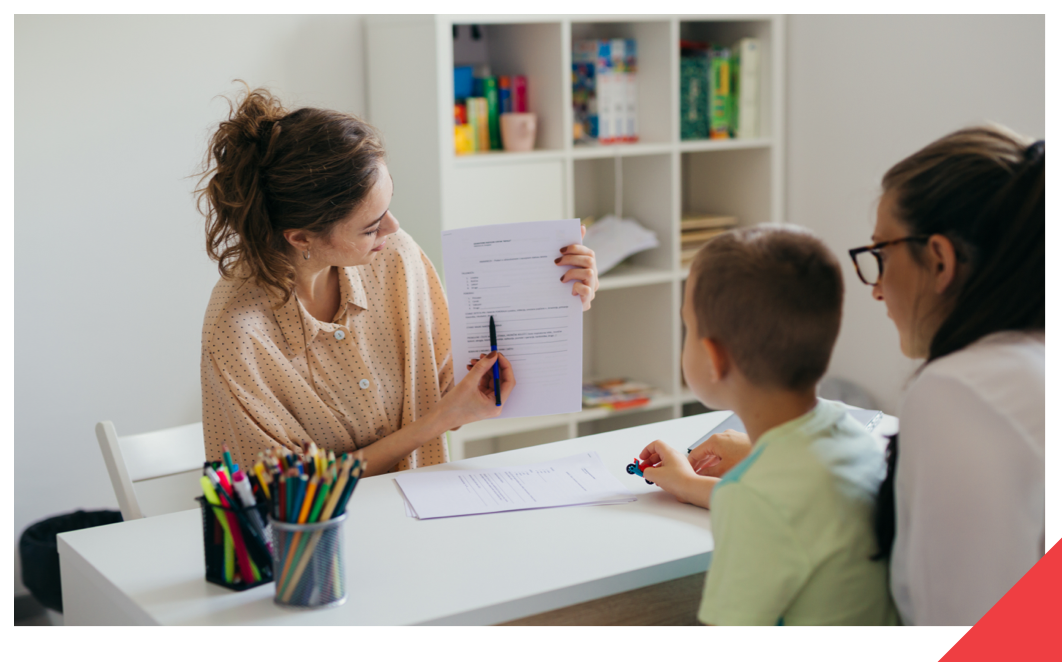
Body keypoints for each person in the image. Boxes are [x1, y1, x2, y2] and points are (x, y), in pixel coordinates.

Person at [195, 86, 598, 475]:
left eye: (388, 207)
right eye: (371, 226)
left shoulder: (395, 257)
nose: (393, 226)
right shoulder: (238, 333)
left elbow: (457, 389)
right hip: (319, 540)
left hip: (425, 518)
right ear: (301, 238)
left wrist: (555, 298)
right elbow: (288, 494)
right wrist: (438, 421)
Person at [638, 226, 897, 626]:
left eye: (687, 326)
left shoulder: (753, 502)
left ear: (714, 358)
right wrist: (688, 484)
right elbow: (789, 507)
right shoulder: (853, 437)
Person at [850, 126, 1045, 625]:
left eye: (881, 255)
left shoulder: (962, 390)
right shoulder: (1026, 365)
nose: (876, 290)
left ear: (939, 260)